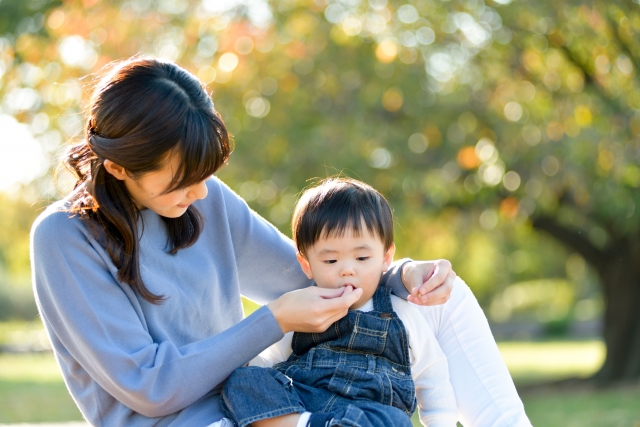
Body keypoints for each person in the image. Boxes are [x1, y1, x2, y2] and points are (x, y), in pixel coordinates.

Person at [30, 56, 531, 427]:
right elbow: (152, 388)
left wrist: (403, 275)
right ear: (118, 167)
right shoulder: (65, 239)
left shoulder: (203, 201)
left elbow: (310, 275)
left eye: (207, 173)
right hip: (210, 419)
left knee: (440, 295)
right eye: (183, 178)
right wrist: (274, 321)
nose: (201, 191)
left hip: (275, 402)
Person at [221, 177, 458, 427]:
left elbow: (432, 373)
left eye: (362, 257)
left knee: (393, 419)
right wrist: (251, 366)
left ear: (386, 257)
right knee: (241, 380)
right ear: (306, 265)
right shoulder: (302, 309)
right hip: (307, 405)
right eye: (331, 261)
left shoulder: (399, 312)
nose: (347, 270)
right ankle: (305, 424)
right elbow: (268, 359)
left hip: (370, 414)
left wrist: (440, 422)